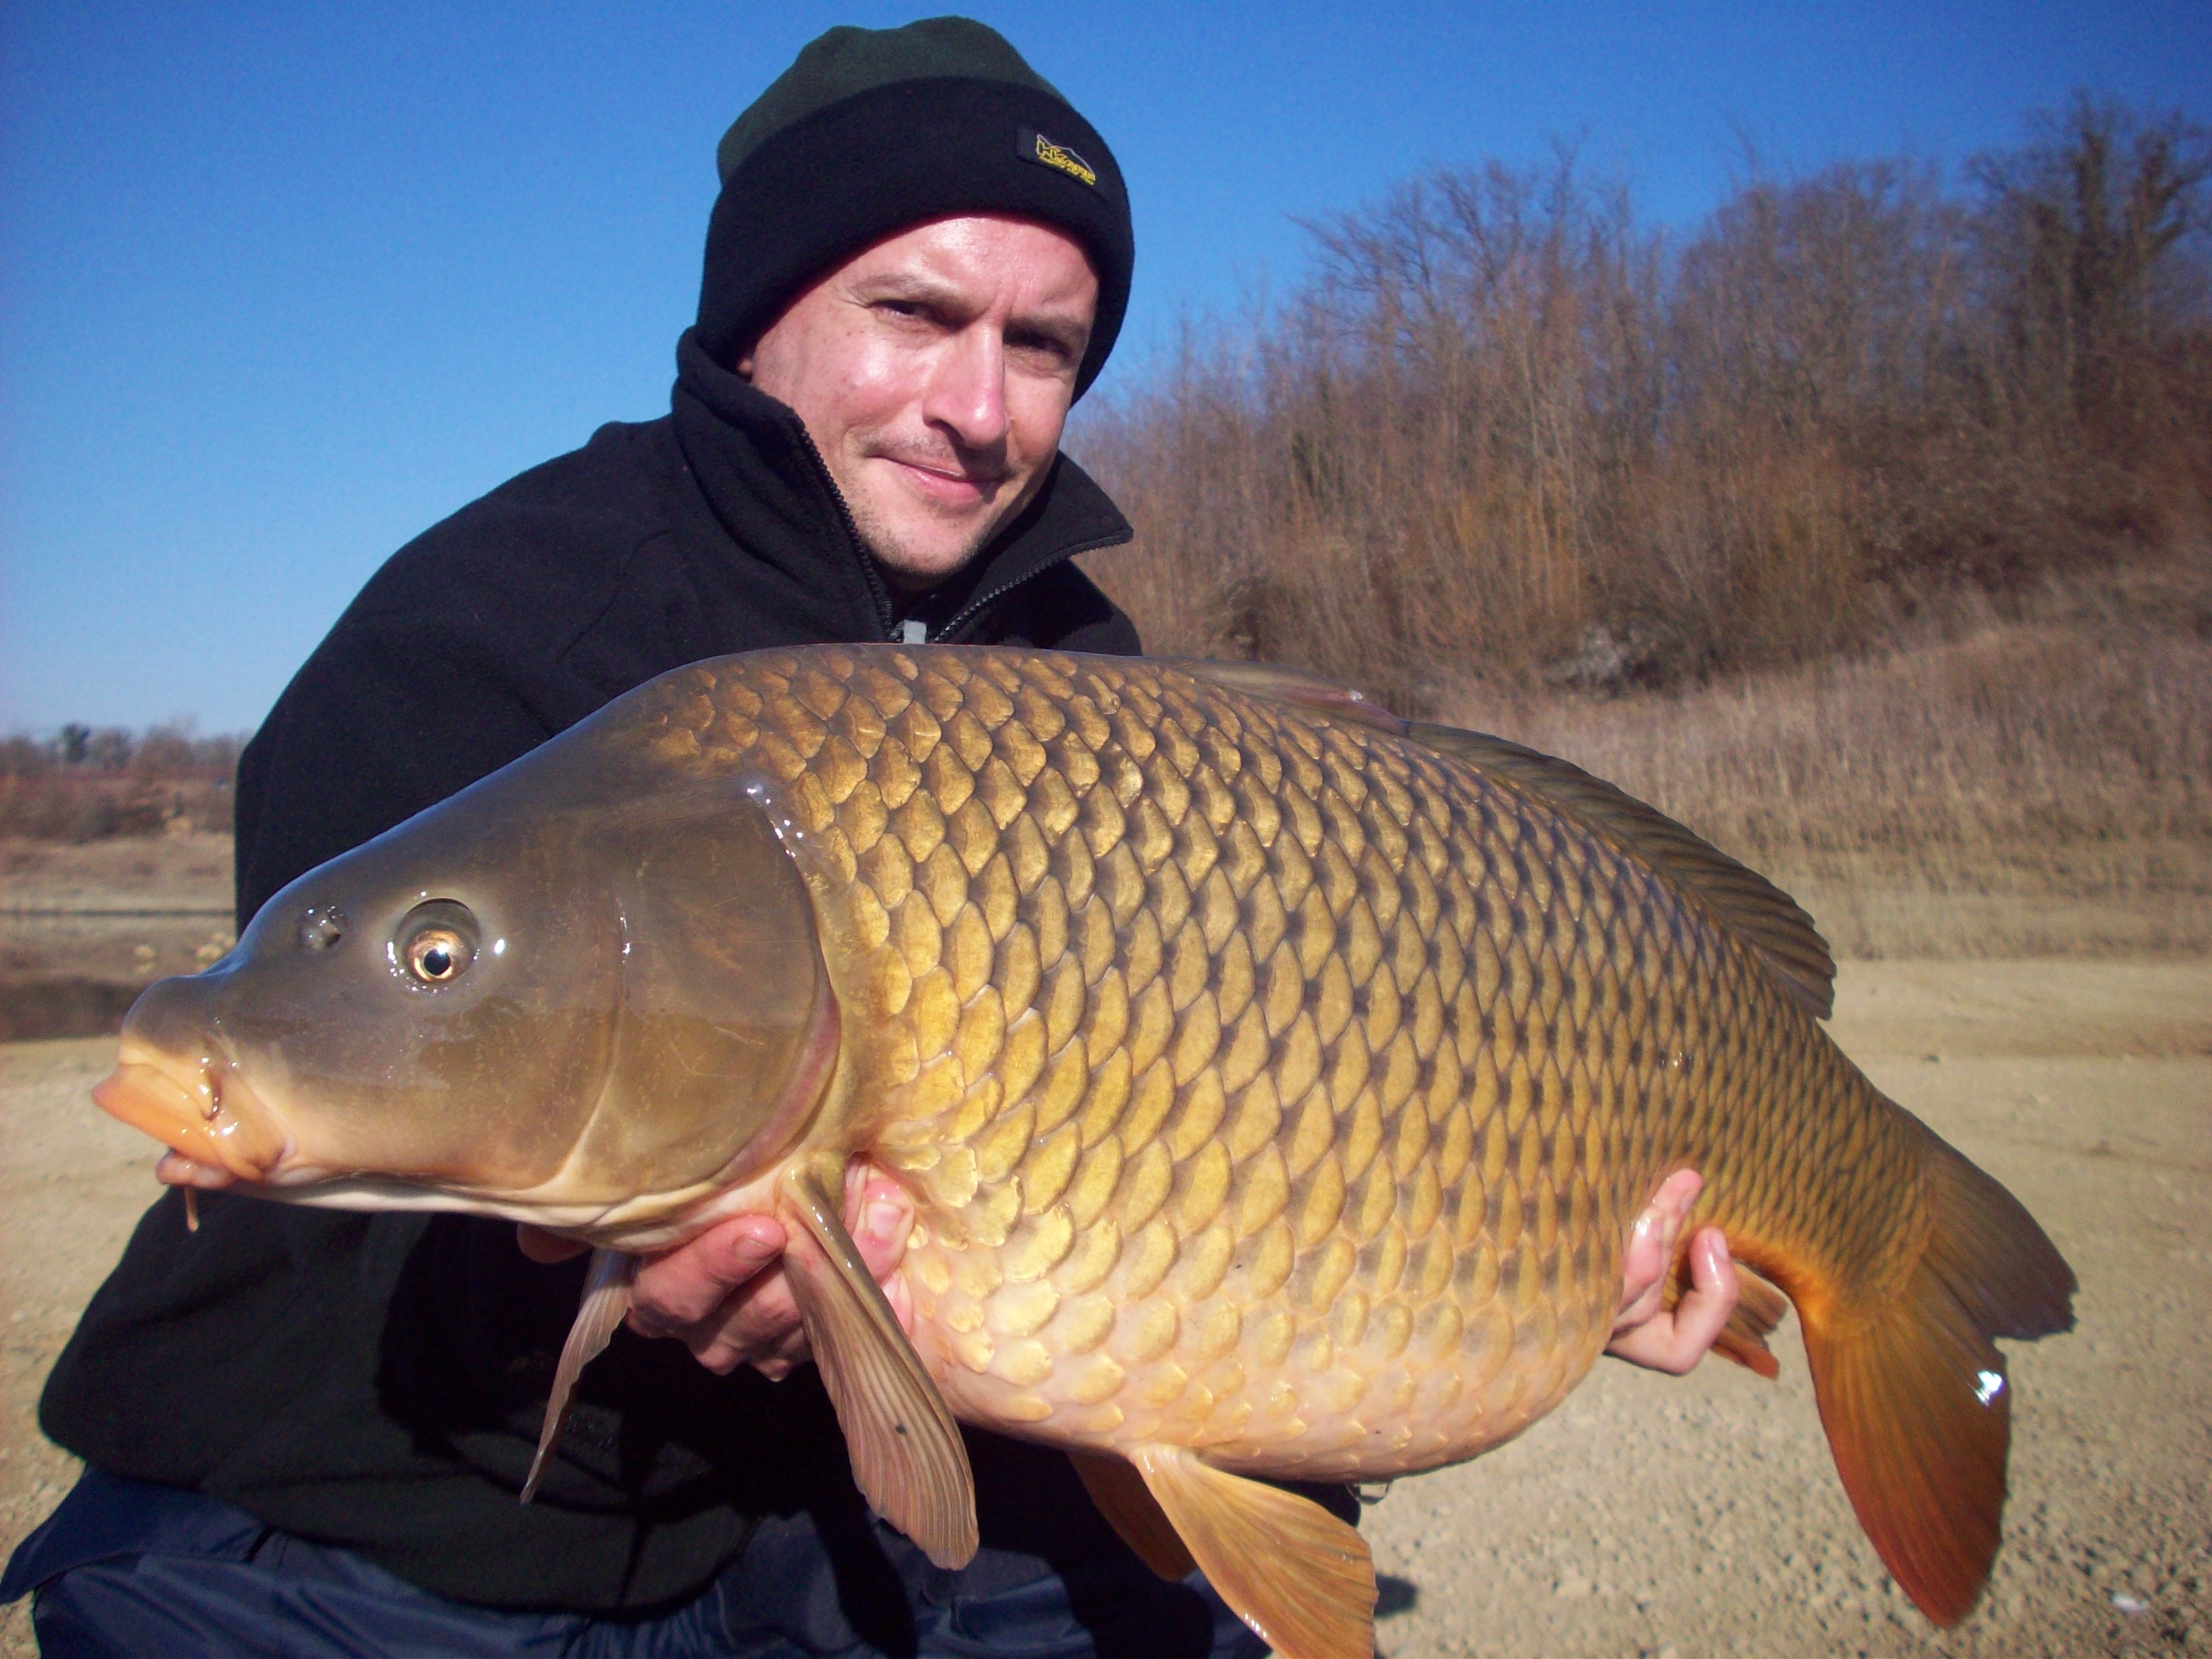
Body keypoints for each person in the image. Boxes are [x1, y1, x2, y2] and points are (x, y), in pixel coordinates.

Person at [3, 19, 1738, 1657]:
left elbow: (1261, 1136)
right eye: (915, 312)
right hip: (403, 1518)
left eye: (1042, 345)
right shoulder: (481, 628)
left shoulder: (1088, 673)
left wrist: (1551, 1256)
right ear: (761, 314)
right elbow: (351, 1183)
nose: (979, 404)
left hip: (831, 1511)